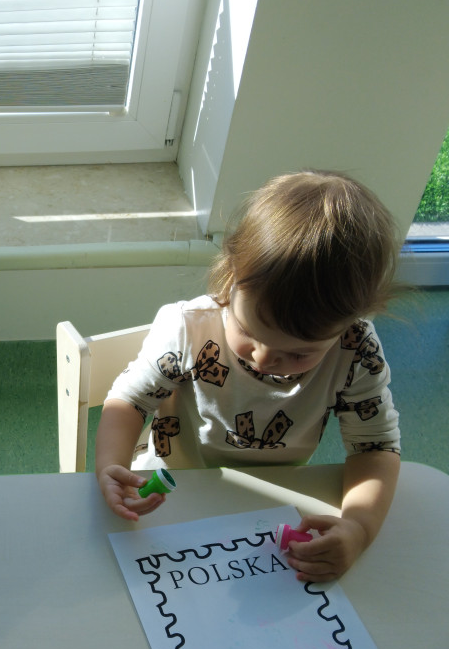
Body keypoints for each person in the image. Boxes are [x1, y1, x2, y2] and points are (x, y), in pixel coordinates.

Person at [95, 170, 401, 582]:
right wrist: (111, 466)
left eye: (298, 353)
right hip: (170, 485)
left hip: (268, 496)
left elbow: (375, 447)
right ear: (231, 275)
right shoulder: (188, 327)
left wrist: (360, 528)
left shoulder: (356, 352)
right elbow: (129, 401)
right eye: (248, 332)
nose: (264, 358)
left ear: (348, 326)